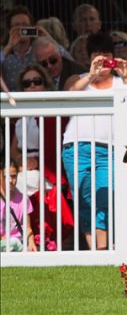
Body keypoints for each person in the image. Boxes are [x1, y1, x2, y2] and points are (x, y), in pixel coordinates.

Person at [63, 32, 127, 250]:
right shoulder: (79, 79)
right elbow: (69, 92)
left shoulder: (120, 82)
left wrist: (126, 75)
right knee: (84, 200)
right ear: (89, 58)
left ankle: (103, 250)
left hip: (110, 150)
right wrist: (92, 75)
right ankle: (98, 251)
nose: (103, 61)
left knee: (106, 197)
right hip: (77, 148)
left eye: (107, 56)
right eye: (98, 56)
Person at [11, 65, 74, 250]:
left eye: (37, 82)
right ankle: (18, 235)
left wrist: (38, 162)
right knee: (14, 181)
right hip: (22, 166)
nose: (32, 86)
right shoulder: (18, 115)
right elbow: (13, 149)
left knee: (25, 181)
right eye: (26, 83)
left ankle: (34, 237)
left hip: (45, 170)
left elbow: (56, 148)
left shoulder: (52, 115)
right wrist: (21, 163)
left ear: (45, 85)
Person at [0, 158, 37, 252]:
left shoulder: (24, 199)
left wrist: (31, 242)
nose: (10, 180)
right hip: (3, 243)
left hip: (18, 244)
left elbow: (27, 227)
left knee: (15, 242)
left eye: (13, 176)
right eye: (6, 176)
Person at [2, 5, 38, 92]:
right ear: (10, 29)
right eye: (17, 25)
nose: (22, 28)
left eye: (25, 24)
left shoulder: (39, 50)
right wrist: (8, 47)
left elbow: (68, 60)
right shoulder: (3, 52)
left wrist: (49, 39)